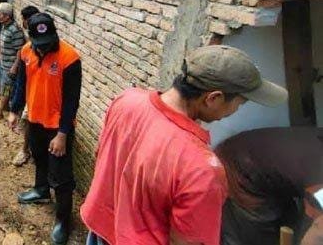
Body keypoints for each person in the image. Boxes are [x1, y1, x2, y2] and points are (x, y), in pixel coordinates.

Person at [80, 45, 288, 245]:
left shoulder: (127, 100)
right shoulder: (202, 169)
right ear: (213, 98)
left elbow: (103, 157)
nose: (236, 110)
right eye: (240, 103)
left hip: (101, 229)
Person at [10, 13, 81, 245]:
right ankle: (41, 190)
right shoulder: (27, 51)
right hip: (35, 120)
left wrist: (62, 134)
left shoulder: (69, 58)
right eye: (38, 44)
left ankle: (63, 221)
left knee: (61, 176)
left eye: (47, 44)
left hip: (58, 127)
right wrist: (14, 109)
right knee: (39, 158)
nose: (43, 49)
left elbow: (72, 101)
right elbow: (22, 83)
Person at [216, 127, 323, 245]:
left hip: (264, 166)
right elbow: (316, 221)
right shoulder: (318, 174)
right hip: (239, 171)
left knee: (290, 226)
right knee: (258, 238)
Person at [7, 5, 40, 166]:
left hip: (39, 91)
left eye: (23, 19)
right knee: (28, 120)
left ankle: (26, 150)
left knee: (31, 121)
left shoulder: (38, 38)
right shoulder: (29, 44)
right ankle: (27, 149)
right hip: (30, 87)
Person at [0, 2, 25, 122]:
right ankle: (4, 107)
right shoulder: (5, 26)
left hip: (10, 66)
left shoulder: (16, 30)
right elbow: (1, 39)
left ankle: (0, 113)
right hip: (3, 62)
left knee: (6, 89)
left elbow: (20, 50)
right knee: (4, 86)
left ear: (7, 16)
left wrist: (14, 67)